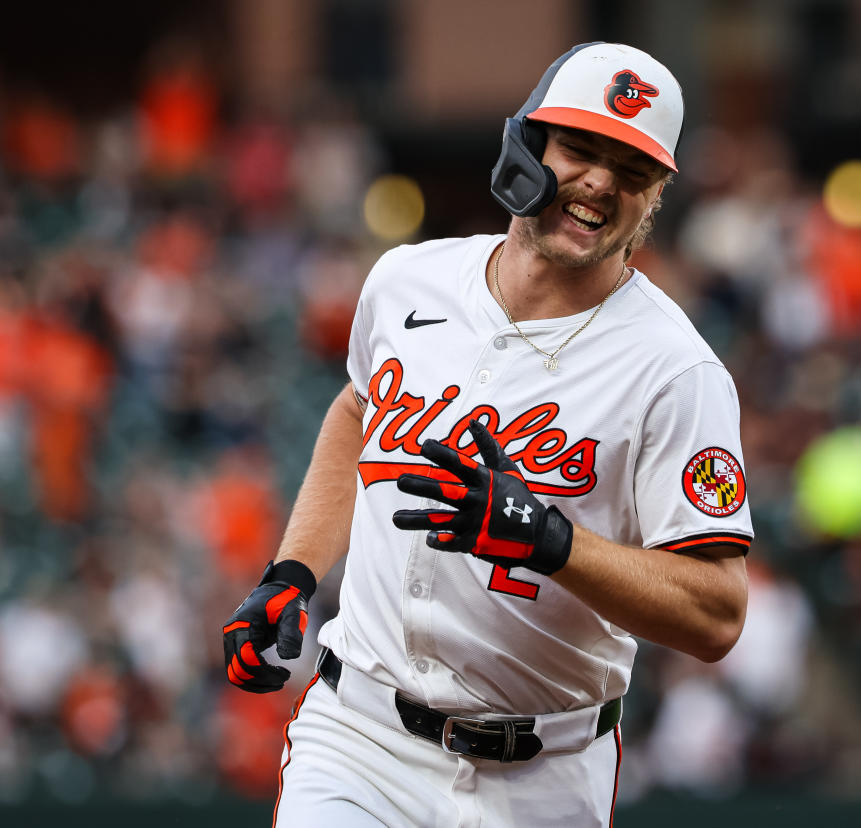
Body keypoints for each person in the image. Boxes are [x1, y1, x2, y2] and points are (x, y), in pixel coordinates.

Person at [223, 42, 753, 827]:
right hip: (361, 739)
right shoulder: (408, 282)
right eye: (580, 148)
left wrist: (549, 540)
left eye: (632, 170)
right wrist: (292, 571)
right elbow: (356, 409)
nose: (601, 181)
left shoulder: (676, 371)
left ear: (655, 199)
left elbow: (716, 612)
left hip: (546, 773)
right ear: (525, 146)